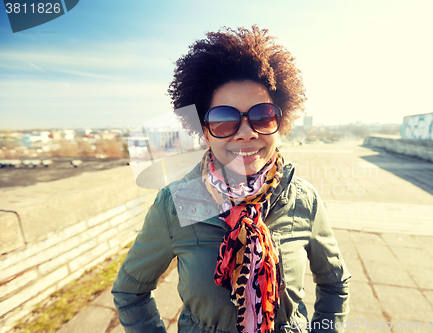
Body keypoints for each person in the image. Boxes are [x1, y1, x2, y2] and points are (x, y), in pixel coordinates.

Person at [112, 25, 350, 333]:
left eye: (262, 116)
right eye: (224, 120)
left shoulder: (303, 199)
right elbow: (130, 291)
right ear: (205, 132)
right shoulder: (176, 203)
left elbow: (335, 284)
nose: (246, 132)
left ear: (280, 123)